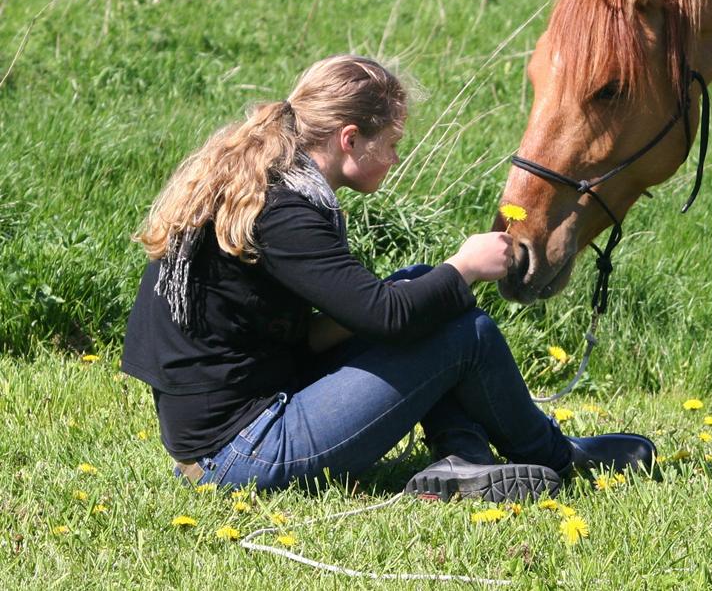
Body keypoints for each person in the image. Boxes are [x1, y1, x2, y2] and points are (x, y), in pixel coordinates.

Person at [120, 54, 654, 501]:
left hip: (233, 425)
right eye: (392, 142)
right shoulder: (287, 211)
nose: (397, 157)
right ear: (350, 140)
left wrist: (429, 286)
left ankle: (463, 459)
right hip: (239, 454)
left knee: (421, 285)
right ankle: (555, 457)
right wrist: (464, 268)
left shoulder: (268, 183)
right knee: (461, 333)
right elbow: (387, 319)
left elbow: (300, 335)